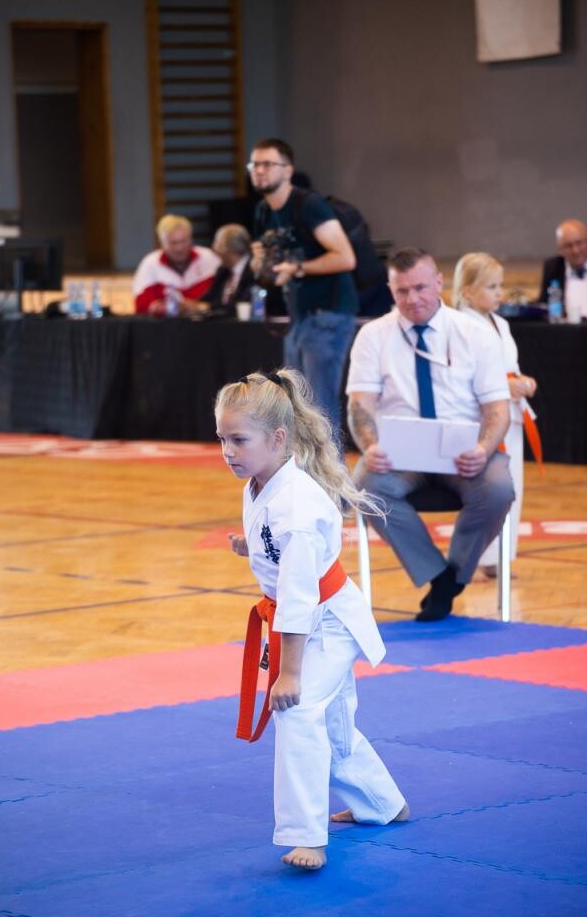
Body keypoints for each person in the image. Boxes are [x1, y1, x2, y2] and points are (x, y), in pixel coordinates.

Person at [215, 368, 408, 870]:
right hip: (316, 614)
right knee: (336, 721)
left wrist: (290, 672)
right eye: (222, 440)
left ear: (278, 439)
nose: (229, 452)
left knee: (297, 711)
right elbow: (282, 553)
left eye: (239, 440)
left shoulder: (297, 505)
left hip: (323, 623)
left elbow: (299, 596)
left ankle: (307, 836)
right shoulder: (262, 482)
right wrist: (250, 546)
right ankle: (384, 804)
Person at [346, 248, 515, 622]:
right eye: (402, 291)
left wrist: (484, 449)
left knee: (500, 488)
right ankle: (438, 576)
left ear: (439, 283)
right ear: (391, 289)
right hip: (400, 452)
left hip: (465, 449)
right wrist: (370, 446)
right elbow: (360, 406)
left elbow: (497, 410)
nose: (413, 299)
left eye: (421, 288)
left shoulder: (475, 333)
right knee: (365, 487)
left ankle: (454, 575)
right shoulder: (373, 336)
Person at [249, 138, 358, 442]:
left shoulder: (309, 205)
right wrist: (261, 265)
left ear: (287, 170)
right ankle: (307, 481)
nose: (259, 171)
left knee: (319, 407)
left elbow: (345, 257)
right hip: (298, 315)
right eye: (255, 164)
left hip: (328, 313)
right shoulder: (262, 211)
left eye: (267, 164)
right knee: (296, 404)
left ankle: (330, 485)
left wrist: (297, 268)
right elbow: (269, 274)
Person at [453, 252, 539, 578]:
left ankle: (500, 557)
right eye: (491, 287)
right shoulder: (459, 327)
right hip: (479, 419)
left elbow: (509, 369)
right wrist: (508, 385)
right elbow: (464, 374)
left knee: (512, 485)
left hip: (511, 415)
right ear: (467, 291)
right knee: (484, 488)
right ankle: (474, 558)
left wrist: (521, 381)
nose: (499, 293)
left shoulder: (500, 323)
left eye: (500, 286)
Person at [133, 214, 219, 315]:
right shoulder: (150, 264)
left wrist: (200, 307)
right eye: (173, 243)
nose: (179, 248)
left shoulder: (210, 259)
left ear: (191, 239)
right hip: (166, 328)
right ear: (162, 243)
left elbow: (225, 300)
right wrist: (170, 309)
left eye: (183, 241)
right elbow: (142, 306)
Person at [538, 219, 587, 319]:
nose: (575, 250)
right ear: (560, 249)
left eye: (579, 243)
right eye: (568, 246)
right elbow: (544, 303)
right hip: (565, 329)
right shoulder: (553, 267)